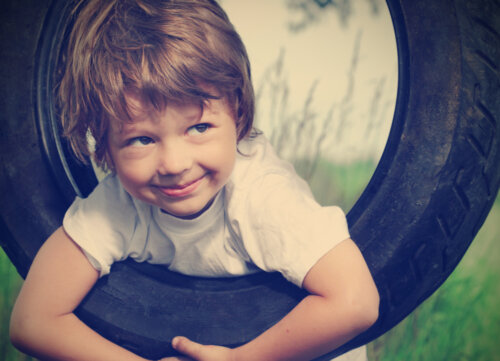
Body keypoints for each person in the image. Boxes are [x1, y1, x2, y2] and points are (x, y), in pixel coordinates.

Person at [9, 0, 380, 360]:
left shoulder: (261, 194)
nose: (174, 163)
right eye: (142, 139)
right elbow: (32, 321)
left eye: (199, 127)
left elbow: (356, 301)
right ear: (102, 143)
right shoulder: (119, 204)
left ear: (237, 113)